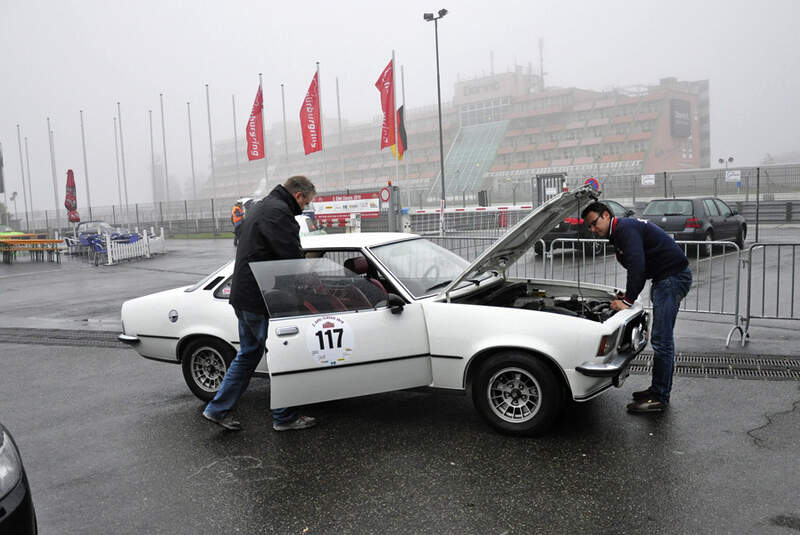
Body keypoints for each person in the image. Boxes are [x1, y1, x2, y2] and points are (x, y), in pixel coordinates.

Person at [203, 176, 318, 431]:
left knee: (249, 353)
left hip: (244, 295)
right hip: (261, 298)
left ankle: (217, 409)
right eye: (306, 203)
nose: (304, 209)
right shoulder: (279, 213)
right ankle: (284, 417)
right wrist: (312, 280)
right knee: (282, 354)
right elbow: (291, 259)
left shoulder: (262, 207)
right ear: (298, 196)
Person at [581, 201, 692, 414]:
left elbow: (637, 266)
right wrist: (627, 295)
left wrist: (628, 301)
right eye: (590, 227)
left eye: (595, 223)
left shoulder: (624, 230)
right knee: (661, 339)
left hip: (671, 279)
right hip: (667, 278)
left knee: (662, 340)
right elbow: (637, 265)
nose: (593, 230)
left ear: (606, 215)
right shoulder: (621, 231)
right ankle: (656, 390)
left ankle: (659, 397)